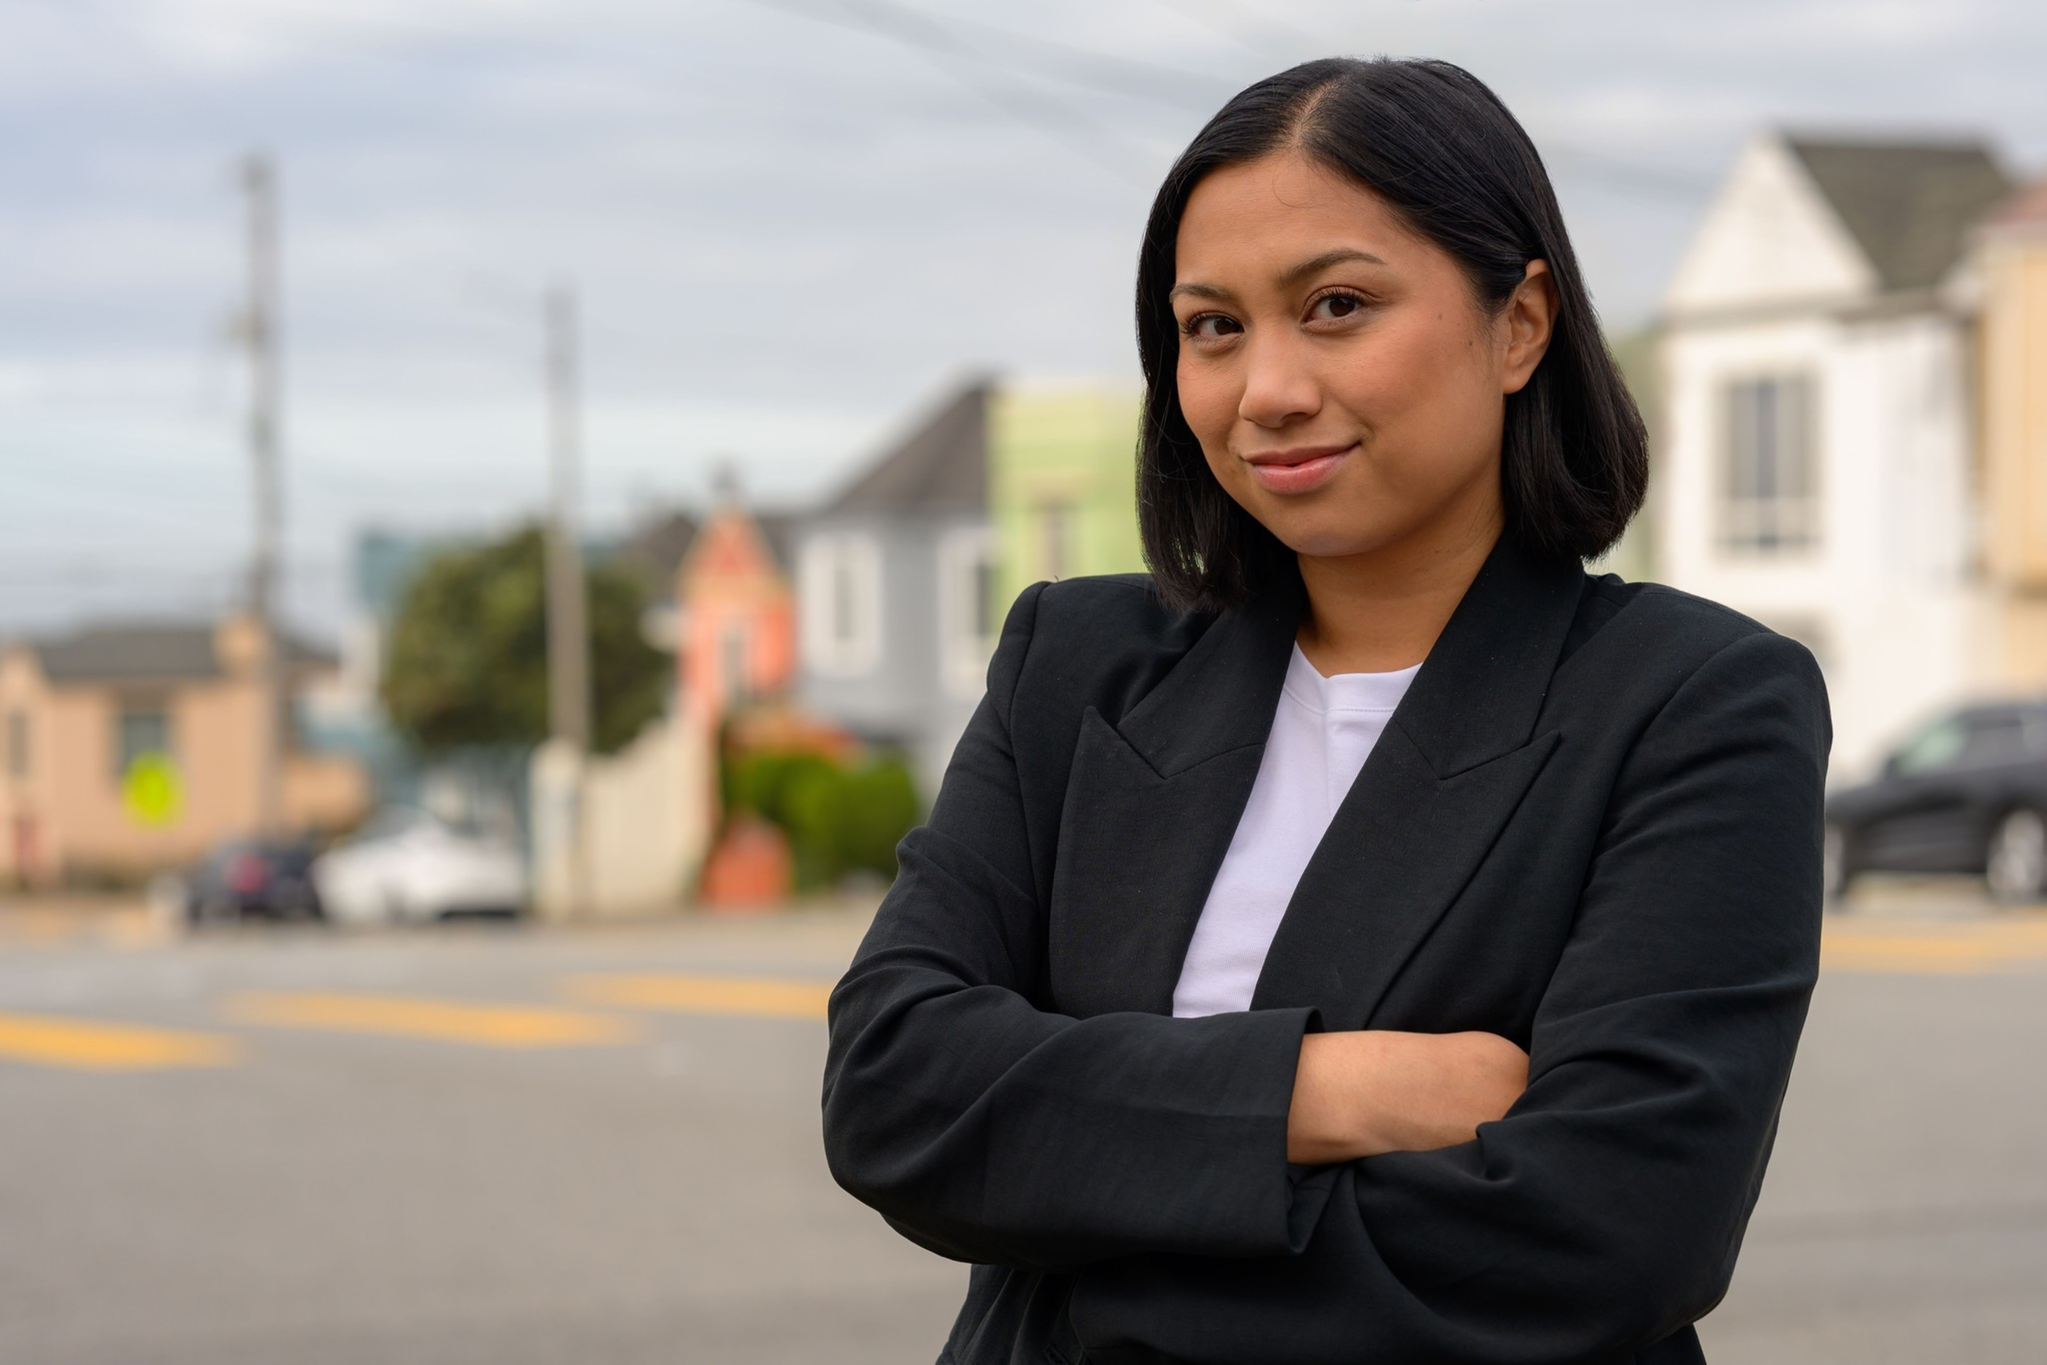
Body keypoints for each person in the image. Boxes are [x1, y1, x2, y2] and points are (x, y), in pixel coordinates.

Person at [822, 56, 1828, 1365]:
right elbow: (894, 1089)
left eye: (1336, 306)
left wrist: (1077, 1257)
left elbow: (1604, 1234)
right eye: (1212, 327)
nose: (1266, 391)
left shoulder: (1691, 704)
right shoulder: (1072, 665)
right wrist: (1322, 1091)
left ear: (1518, 323)